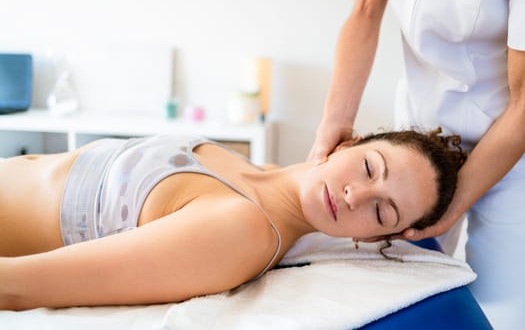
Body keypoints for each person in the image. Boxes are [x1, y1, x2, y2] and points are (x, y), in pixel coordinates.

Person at [0, 129, 465, 311]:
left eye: (381, 211)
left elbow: (17, 286)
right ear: (348, 144)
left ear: (373, 239)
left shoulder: (244, 232)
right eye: (369, 168)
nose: (356, 196)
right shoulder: (246, 165)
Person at [309, 0, 525, 328]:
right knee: (396, 284)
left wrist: (452, 206)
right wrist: (334, 124)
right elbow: (365, 9)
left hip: (508, 150)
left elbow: (524, 103)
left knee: (504, 306)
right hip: (420, 140)